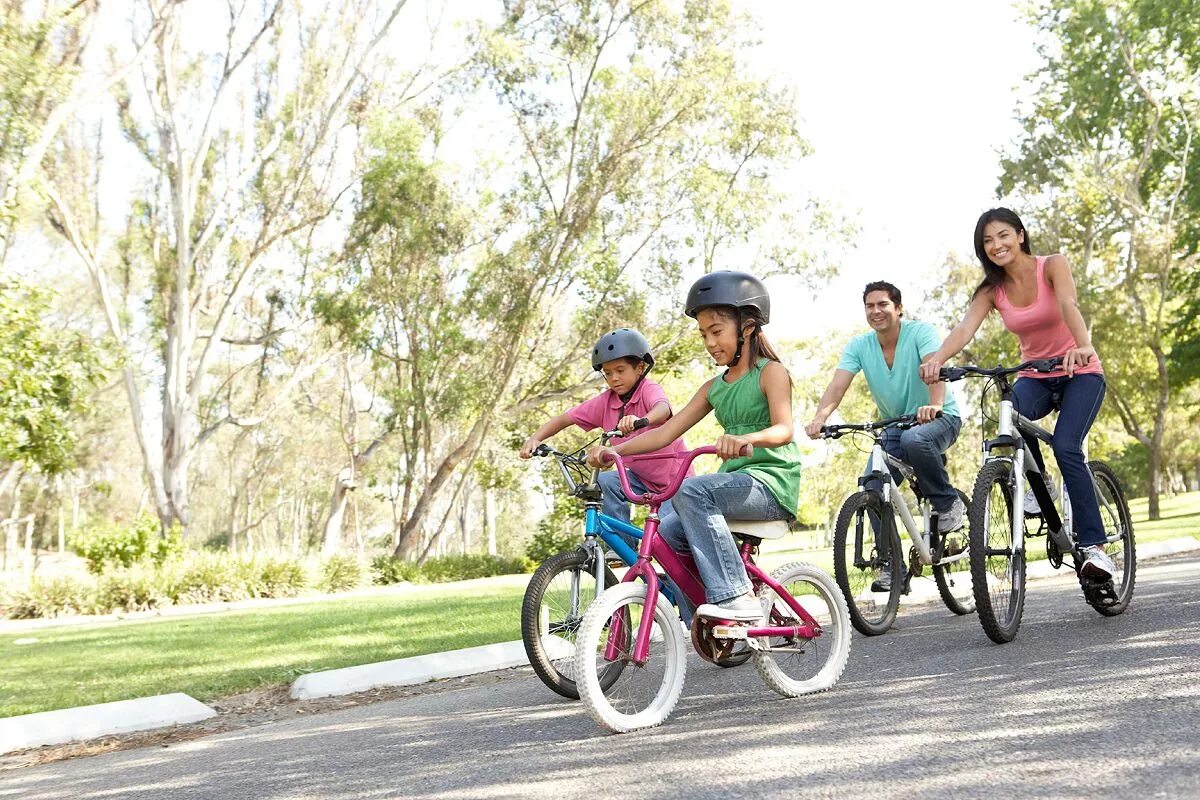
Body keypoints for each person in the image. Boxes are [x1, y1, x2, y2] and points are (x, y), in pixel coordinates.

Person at [587, 271, 802, 623]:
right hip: (733, 485)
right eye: (704, 334)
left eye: (716, 331)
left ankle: (736, 595)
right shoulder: (713, 387)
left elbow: (783, 429)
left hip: (771, 483)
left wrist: (746, 439)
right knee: (666, 537)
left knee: (690, 492)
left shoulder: (771, 372)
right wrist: (616, 451)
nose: (709, 342)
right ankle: (704, 624)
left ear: (746, 327)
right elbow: (665, 432)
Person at [919, 207, 1115, 580]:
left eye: (1003, 235)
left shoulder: (1052, 265)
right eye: (987, 241)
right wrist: (937, 360)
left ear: (1020, 235)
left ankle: (1095, 547)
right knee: (1011, 410)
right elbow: (965, 329)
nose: (996, 245)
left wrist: (1084, 344)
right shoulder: (993, 290)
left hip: (1080, 371)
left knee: (1067, 446)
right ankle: (1041, 483)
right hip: (1036, 376)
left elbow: (1068, 305)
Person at [805, 281, 966, 590]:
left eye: (883, 304)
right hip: (895, 424)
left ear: (898, 308)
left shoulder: (919, 333)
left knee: (914, 440)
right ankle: (893, 568)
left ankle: (947, 503)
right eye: (870, 306)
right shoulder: (859, 346)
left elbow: (935, 367)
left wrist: (934, 404)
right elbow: (838, 385)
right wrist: (820, 419)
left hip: (940, 417)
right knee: (873, 486)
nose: (876, 311)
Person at [520, 328, 691, 527]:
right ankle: (621, 553)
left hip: (677, 482)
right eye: (608, 373)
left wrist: (642, 420)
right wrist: (535, 438)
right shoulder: (605, 402)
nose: (614, 378)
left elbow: (662, 408)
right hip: (640, 478)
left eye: (620, 370)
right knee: (605, 482)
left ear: (640, 367)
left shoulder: (648, 389)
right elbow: (565, 419)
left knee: (667, 534)